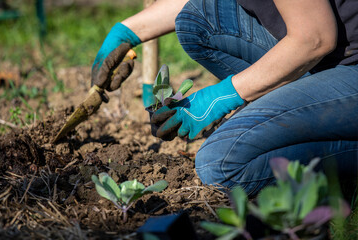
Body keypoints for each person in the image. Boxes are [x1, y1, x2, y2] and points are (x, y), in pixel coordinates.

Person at [91, 0, 358, 198]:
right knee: (197, 20)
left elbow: (315, 39)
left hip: (342, 61)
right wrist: (126, 32)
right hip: (329, 55)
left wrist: (222, 96)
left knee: (220, 165)